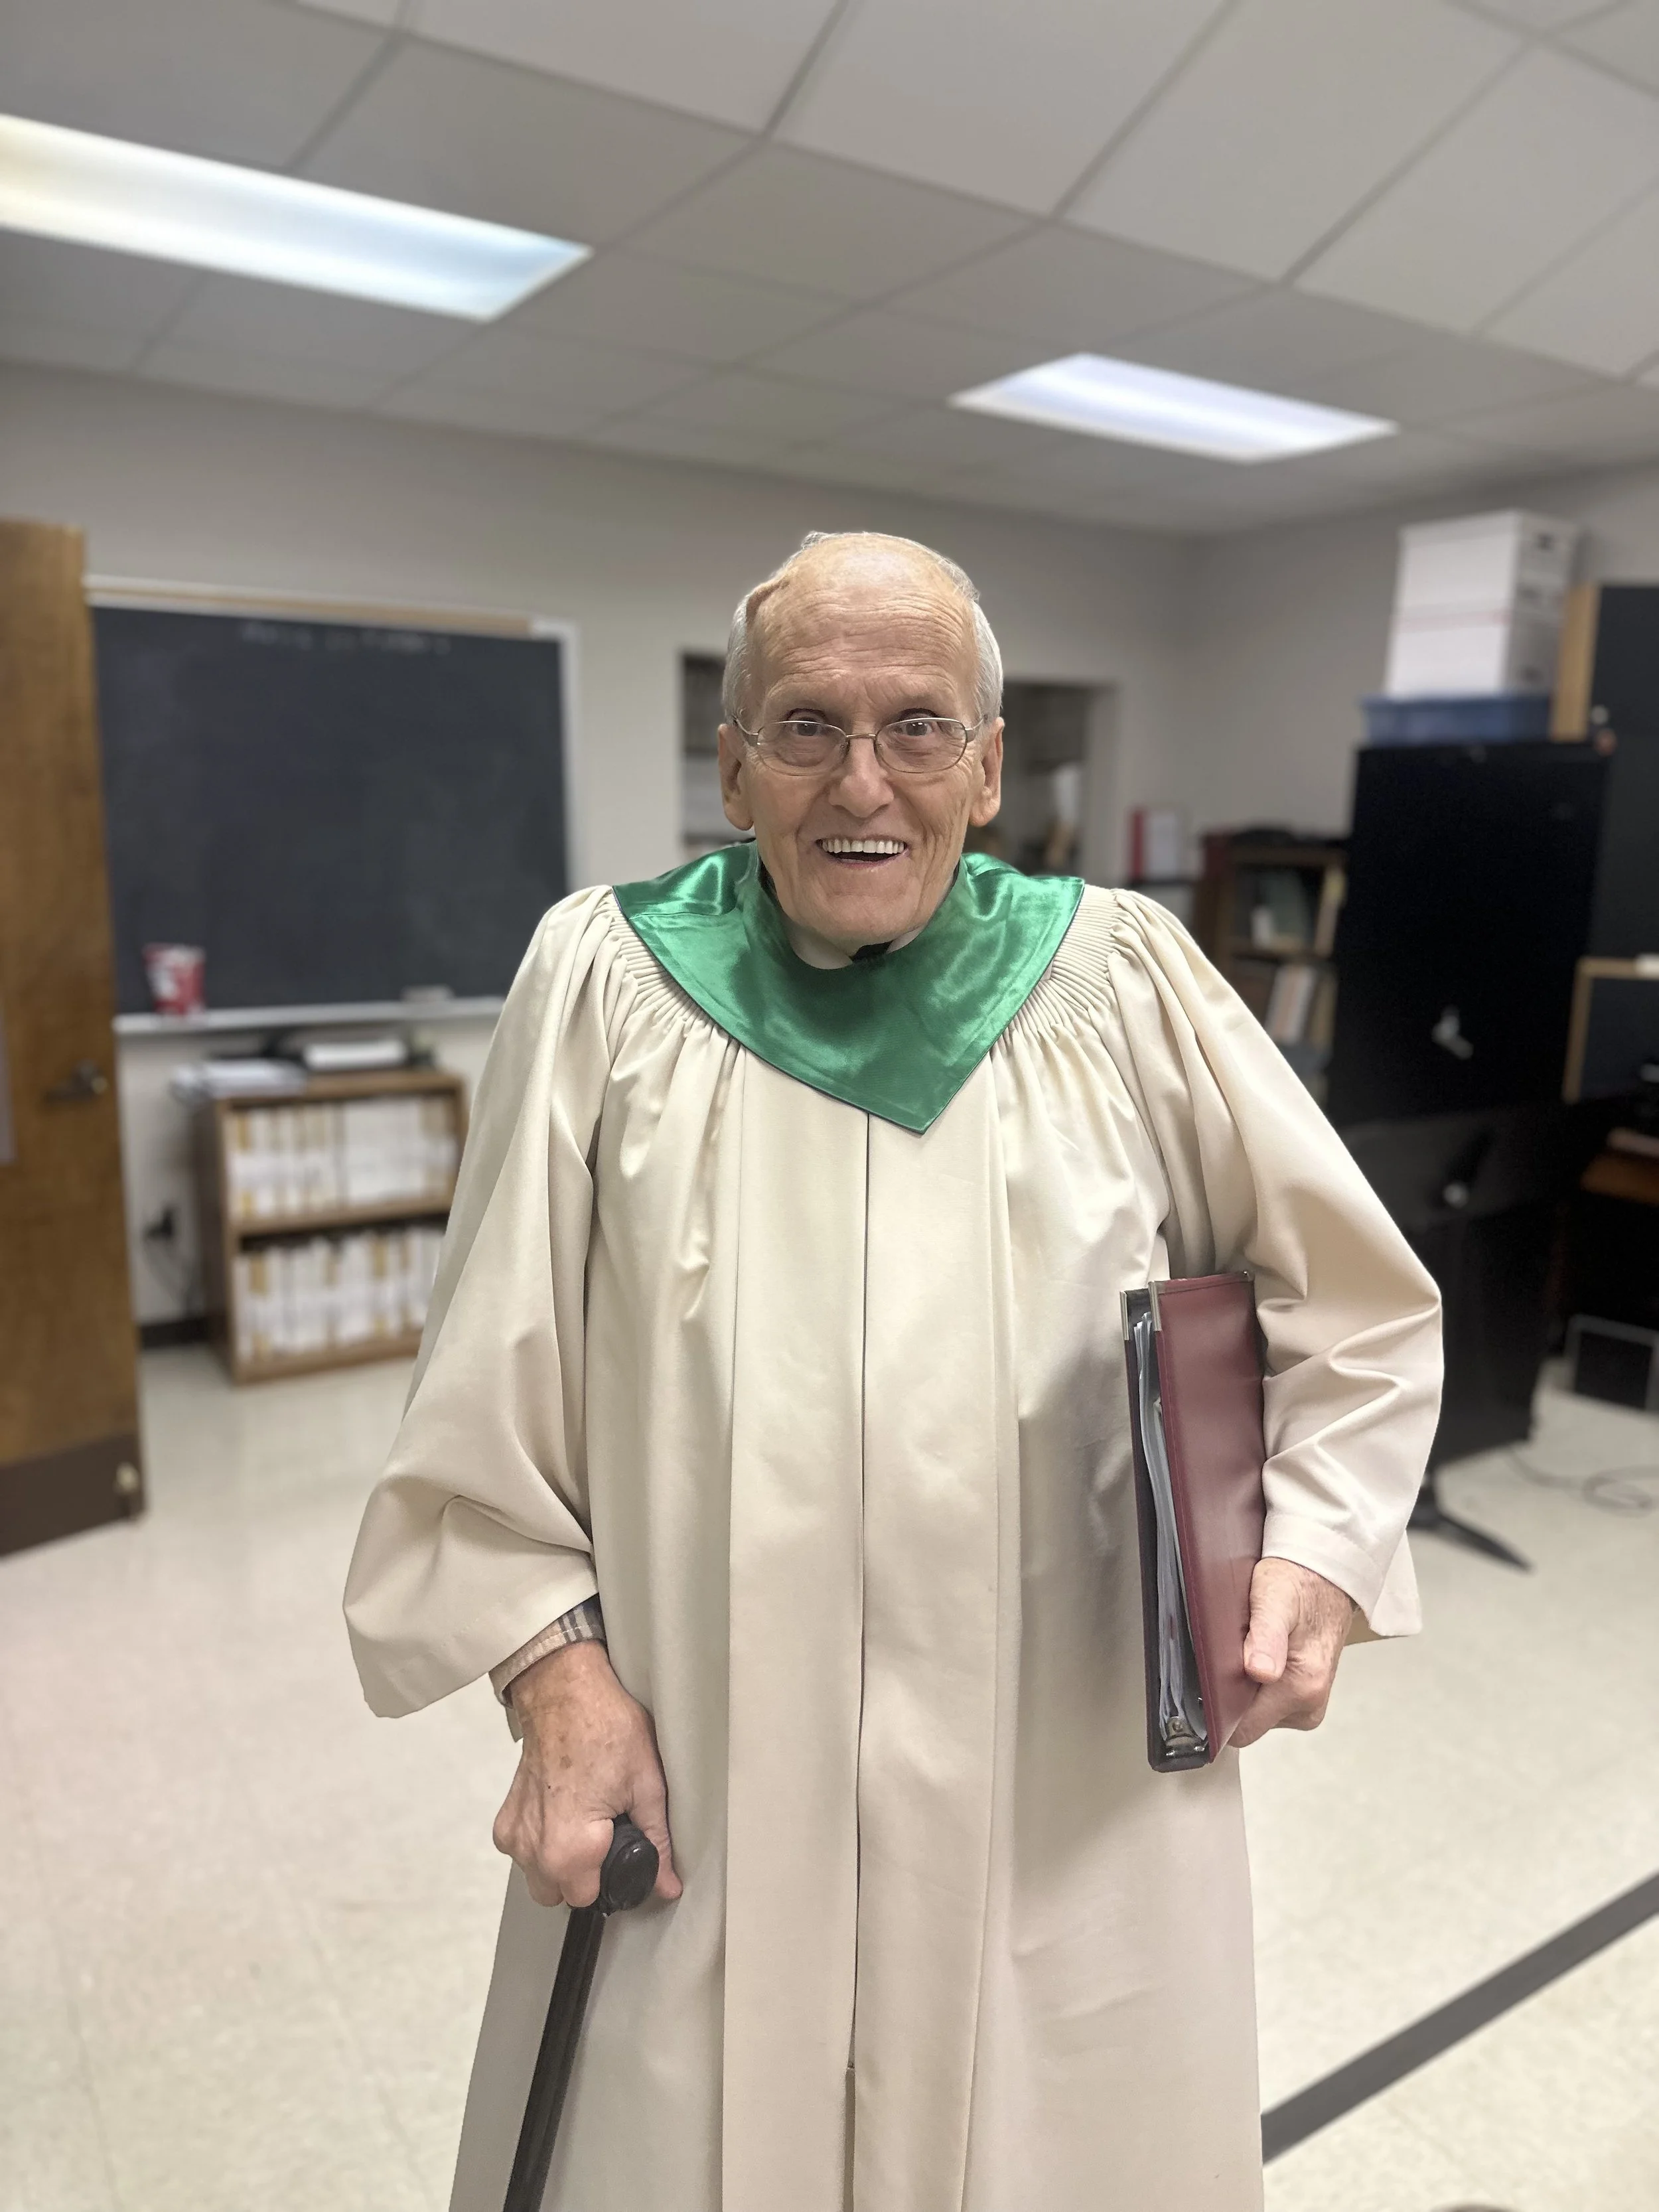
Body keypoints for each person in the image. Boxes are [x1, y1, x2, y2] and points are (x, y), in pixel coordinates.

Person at [344, 530, 1441, 2212]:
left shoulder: (1122, 983)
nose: (864, 778)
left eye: (918, 725)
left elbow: (1353, 1313)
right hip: (707, 1794)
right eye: (804, 725)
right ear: (730, 766)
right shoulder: (604, 986)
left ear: (988, 765)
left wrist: (1313, 1545)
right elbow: (478, 1408)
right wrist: (551, 1682)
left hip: (1058, 1798)